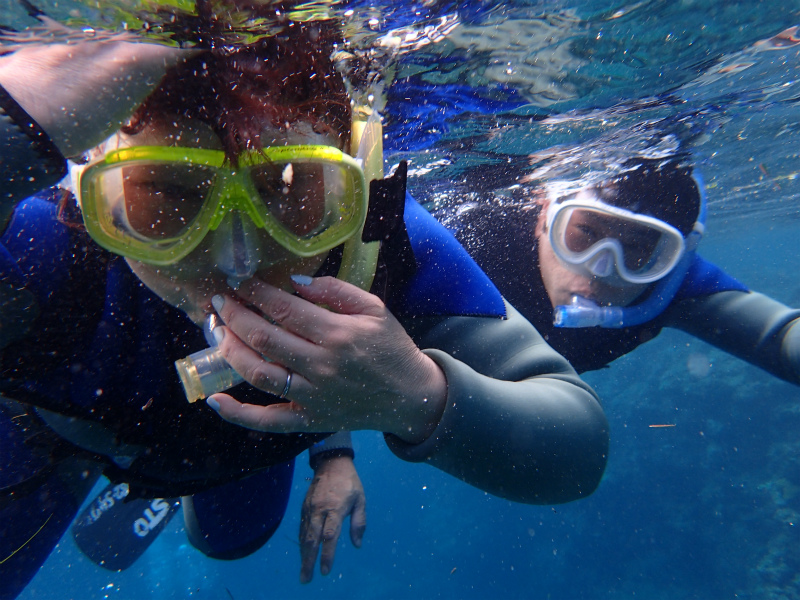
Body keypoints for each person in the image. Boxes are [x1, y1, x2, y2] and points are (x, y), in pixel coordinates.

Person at [0, 11, 609, 600]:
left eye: (286, 188)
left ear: (353, 186)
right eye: (167, 195)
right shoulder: (47, 242)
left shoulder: (386, 244)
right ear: (93, 191)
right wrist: (13, 127)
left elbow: (578, 448)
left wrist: (416, 397)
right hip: (52, 432)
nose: (235, 259)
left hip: (248, 444)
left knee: (230, 540)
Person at [434, 156, 800, 382]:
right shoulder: (472, 237)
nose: (600, 268)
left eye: (636, 249)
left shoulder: (666, 283)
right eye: (585, 233)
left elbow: (782, 337)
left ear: (667, 257)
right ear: (545, 214)